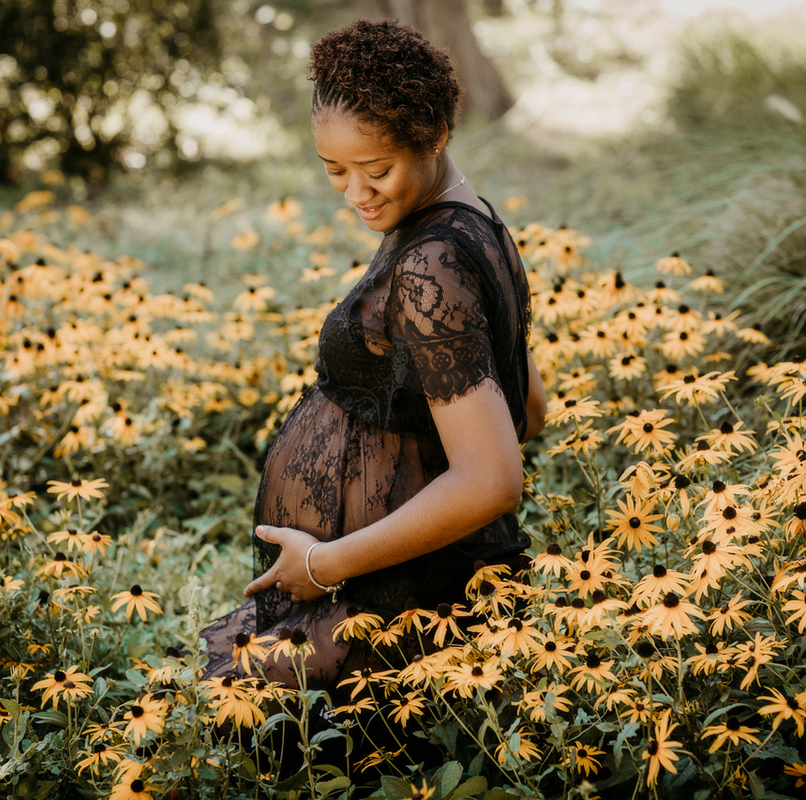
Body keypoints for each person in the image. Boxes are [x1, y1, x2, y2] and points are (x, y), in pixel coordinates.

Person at [196, 18, 546, 693]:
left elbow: (493, 478)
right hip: (384, 577)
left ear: (434, 135)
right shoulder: (477, 225)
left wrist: (327, 561)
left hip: (397, 599)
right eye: (335, 171)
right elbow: (527, 406)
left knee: (224, 715)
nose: (358, 193)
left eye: (378, 169)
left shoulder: (433, 262)